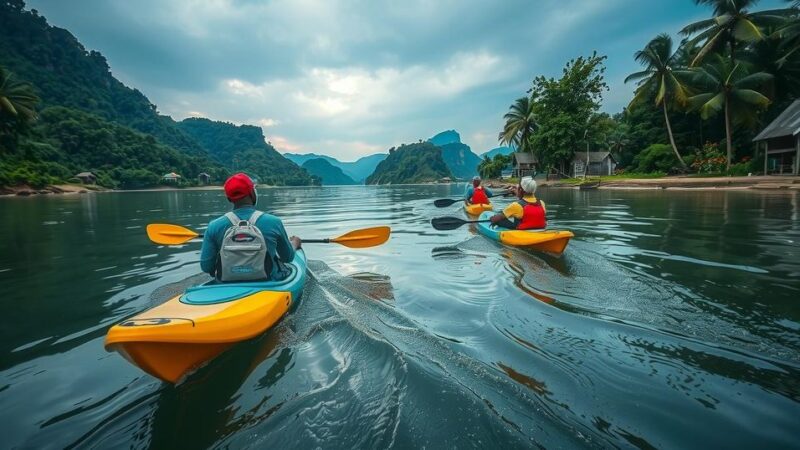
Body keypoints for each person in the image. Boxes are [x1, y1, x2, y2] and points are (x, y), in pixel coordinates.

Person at [200, 173, 301, 282]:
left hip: (226, 284)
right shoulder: (274, 222)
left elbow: (206, 267)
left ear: (229, 198)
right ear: (252, 193)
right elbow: (288, 257)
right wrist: (295, 243)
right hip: (270, 283)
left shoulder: (214, 226)